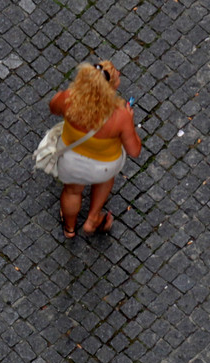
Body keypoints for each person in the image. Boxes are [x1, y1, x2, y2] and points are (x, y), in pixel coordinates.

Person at [45, 61, 142, 239]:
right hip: (104, 165)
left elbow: (53, 107)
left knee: (72, 191)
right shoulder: (120, 116)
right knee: (104, 181)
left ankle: (69, 229)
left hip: (71, 160)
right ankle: (92, 218)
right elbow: (135, 151)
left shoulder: (69, 98)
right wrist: (130, 120)